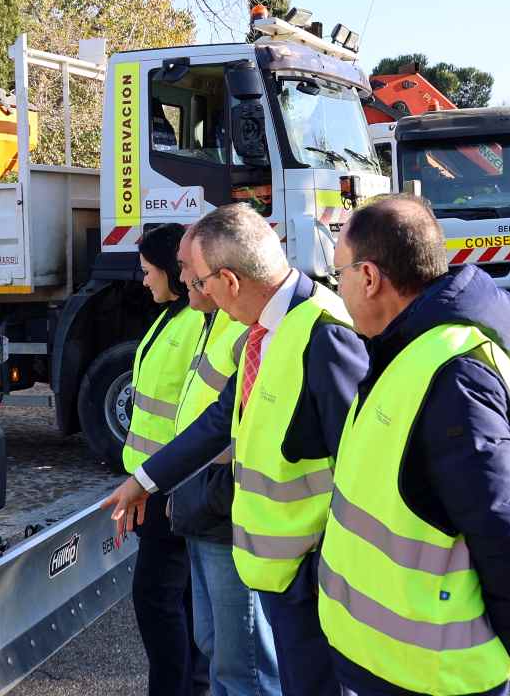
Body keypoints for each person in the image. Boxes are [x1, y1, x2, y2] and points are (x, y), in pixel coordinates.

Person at [319, 195, 510, 696]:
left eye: (340, 275)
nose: (340, 289)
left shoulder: (452, 374)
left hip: (428, 674)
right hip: (390, 660)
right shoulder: (410, 349)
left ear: (370, 277)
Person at [103, 203, 369, 696]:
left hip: (305, 565)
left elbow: (360, 462)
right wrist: (144, 482)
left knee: (256, 678)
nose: (195, 291)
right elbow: (220, 420)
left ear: (228, 279)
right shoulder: (263, 332)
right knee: (236, 668)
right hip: (263, 549)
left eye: (198, 280)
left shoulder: (322, 333)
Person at [170, 227, 282, 696]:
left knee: (244, 666)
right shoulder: (214, 320)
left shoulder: (254, 326)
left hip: (229, 510)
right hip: (202, 500)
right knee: (218, 648)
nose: (186, 283)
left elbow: (229, 424)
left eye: (192, 274)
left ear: (226, 278)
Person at [126, 223, 209, 696]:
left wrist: (151, 481)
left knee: (158, 601)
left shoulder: (192, 322)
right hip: (156, 481)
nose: (145, 280)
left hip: (167, 486)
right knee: (178, 600)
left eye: (149, 271)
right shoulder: (173, 318)